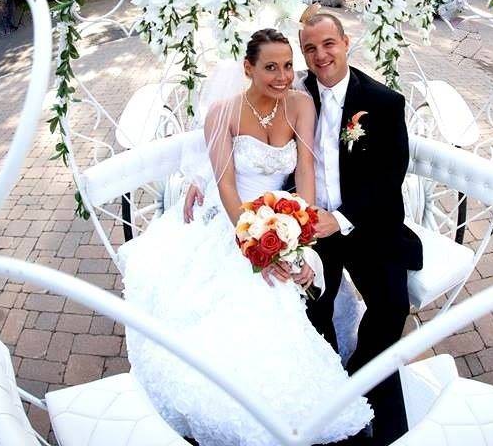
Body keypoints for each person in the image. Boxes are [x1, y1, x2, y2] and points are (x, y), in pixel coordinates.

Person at [123, 28, 373, 446]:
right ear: (248, 68)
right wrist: (254, 242)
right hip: (233, 217)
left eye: (288, 66)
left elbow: (307, 171)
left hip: (283, 213)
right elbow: (224, 186)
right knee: (254, 297)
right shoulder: (223, 112)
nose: (282, 76)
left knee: (298, 285)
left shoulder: (301, 104)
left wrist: (300, 231)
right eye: (271, 67)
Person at [299, 12, 423, 446]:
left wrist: (344, 216)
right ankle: (327, 387)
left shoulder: (384, 102)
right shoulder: (295, 94)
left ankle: (355, 382)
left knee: (392, 307)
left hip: (366, 223)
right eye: (310, 48)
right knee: (312, 306)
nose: (320, 55)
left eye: (328, 44)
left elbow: (391, 175)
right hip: (315, 227)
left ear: (346, 42)